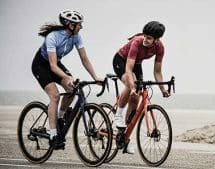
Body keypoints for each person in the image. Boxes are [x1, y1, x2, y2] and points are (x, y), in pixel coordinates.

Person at [31, 10, 102, 149]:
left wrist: (95, 77)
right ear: (70, 25)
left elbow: (84, 59)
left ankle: (60, 117)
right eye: (79, 24)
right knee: (55, 96)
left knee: (72, 87)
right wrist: (67, 76)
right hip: (41, 65)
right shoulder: (52, 37)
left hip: (56, 64)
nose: (81, 27)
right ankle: (53, 135)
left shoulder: (76, 37)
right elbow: (52, 66)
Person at [113, 21, 170, 154]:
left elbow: (157, 72)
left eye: (149, 38)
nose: (145, 39)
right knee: (131, 83)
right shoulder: (137, 42)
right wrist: (132, 85)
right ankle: (118, 114)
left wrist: (163, 89)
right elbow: (128, 69)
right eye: (145, 35)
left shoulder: (160, 48)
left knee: (135, 99)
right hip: (121, 61)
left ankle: (124, 138)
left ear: (157, 39)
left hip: (136, 64)